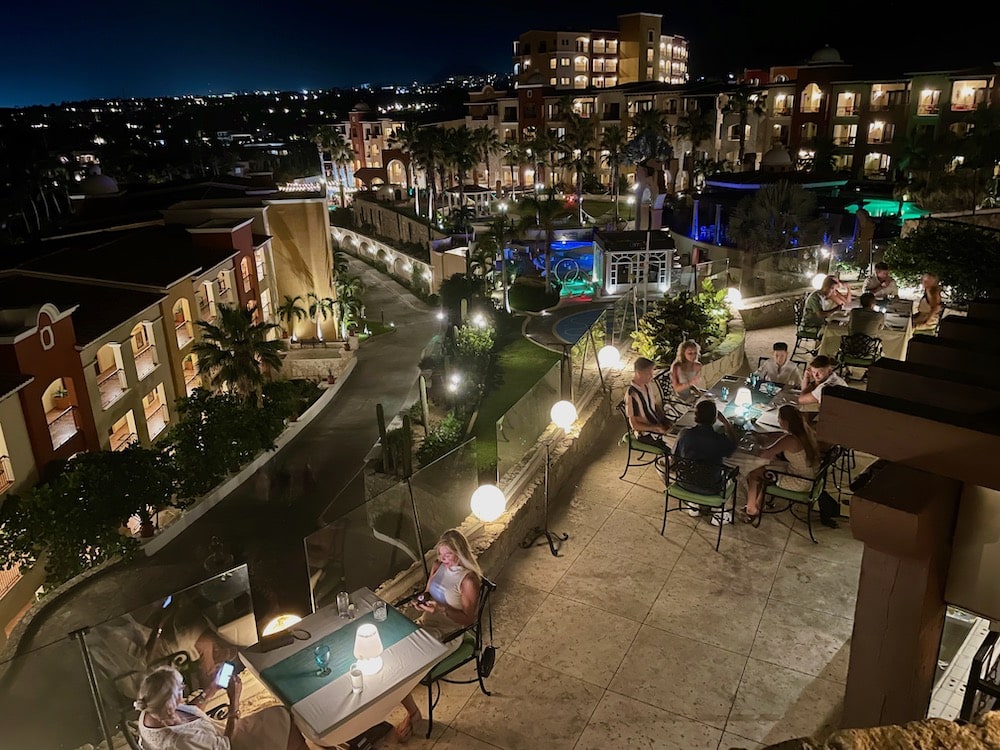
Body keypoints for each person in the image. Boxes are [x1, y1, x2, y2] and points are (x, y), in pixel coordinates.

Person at [398, 529, 483, 742]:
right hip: (426, 625)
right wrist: (420, 601)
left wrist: (442, 609)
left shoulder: (468, 580)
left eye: (447, 555)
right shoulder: (438, 566)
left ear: (459, 553)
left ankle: (413, 712)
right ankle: (406, 706)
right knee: (393, 650)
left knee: (400, 665)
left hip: (449, 634)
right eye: (440, 554)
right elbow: (427, 592)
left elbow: (468, 620)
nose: (442, 559)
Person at [135, 665, 307, 750]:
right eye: (180, 688)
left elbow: (188, 713)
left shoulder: (150, 708)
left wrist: (211, 689)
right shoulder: (183, 741)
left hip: (216, 735)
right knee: (281, 719)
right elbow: (226, 744)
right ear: (170, 704)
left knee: (275, 716)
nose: (183, 689)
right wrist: (234, 702)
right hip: (229, 743)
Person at [743, 405, 821, 522]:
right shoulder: (806, 431)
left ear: (784, 421)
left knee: (755, 473)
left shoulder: (790, 440)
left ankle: (751, 509)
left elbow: (765, 454)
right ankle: (759, 503)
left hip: (799, 480)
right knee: (766, 470)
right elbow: (781, 437)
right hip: (809, 476)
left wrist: (758, 443)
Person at [674, 399, 738, 526]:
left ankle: (694, 504)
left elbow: (675, 457)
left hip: (685, 482)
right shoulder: (719, 440)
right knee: (733, 474)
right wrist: (726, 423)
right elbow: (734, 444)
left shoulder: (684, 434)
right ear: (714, 419)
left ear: (695, 416)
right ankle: (718, 511)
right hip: (710, 488)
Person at [625, 356, 673, 449]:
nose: (652, 376)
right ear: (638, 373)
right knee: (677, 443)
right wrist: (654, 428)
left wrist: (665, 420)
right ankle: (672, 460)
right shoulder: (632, 395)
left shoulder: (647, 386)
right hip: (646, 433)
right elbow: (634, 425)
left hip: (656, 425)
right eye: (649, 374)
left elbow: (653, 406)